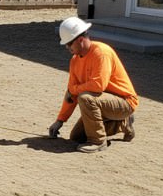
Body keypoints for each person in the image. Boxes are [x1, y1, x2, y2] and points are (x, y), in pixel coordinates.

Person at [48, 16, 138, 153]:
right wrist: (60, 120)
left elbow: (98, 85)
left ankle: (98, 141)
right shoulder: (74, 61)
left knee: (85, 97)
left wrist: (75, 90)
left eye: (69, 44)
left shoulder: (101, 52)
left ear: (80, 40)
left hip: (124, 102)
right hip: (103, 102)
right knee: (77, 137)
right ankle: (122, 123)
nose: (67, 47)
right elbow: (71, 94)